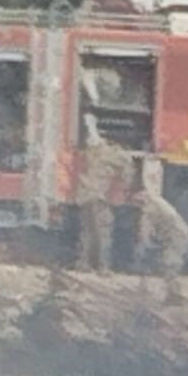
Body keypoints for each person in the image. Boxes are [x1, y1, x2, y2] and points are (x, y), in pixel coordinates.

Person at [74, 115, 132, 272]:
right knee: (103, 232)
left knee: (87, 231)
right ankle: (103, 267)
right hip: (99, 198)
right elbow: (126, 169)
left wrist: (90, 123)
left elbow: (93, 140)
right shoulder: (112, 154)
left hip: (84, 197)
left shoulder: (90, 153)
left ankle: (83, 264)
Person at [132, 155, 188, 304]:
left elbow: (145, 234)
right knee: (168, 263)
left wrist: (141, 249)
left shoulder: (149, 208)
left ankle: (175, 295)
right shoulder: (156, 201)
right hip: (178, 235)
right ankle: (173, 294)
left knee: (169, 263)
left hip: (177, 237)